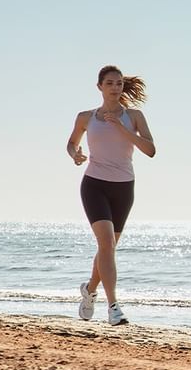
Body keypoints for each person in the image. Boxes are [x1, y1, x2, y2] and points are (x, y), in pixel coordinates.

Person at [66, 65, 156, 325]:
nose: (115, 88)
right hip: (94, 184)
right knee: (106, 243)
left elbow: (150, 150)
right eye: (109, 83)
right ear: (100, 87)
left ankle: (89, 291)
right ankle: (114, 307)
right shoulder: (86, 117)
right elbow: (71, 143)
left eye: (118, 83)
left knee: (108, 247)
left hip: (123, 187)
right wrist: (76, 155)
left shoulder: (134, 116)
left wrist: (123, 128)